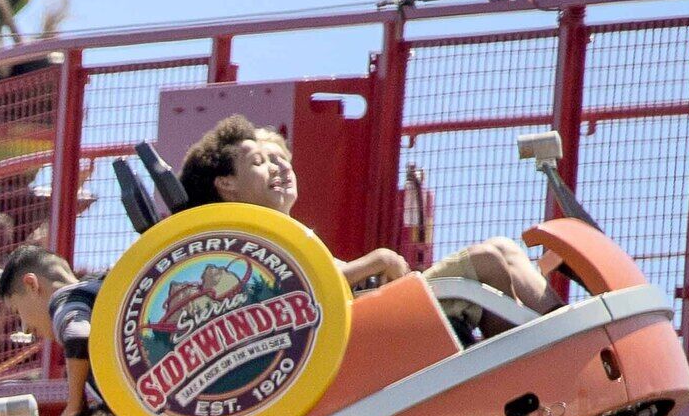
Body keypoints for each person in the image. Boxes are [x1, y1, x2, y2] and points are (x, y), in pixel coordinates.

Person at [175, 114, 556, 316]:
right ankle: (550, 360)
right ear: (227, 185)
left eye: (281, 160)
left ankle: (567, 330)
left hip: (368, 310)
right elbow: (307, 287)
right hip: (357, 330)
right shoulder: (250, 235)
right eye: (261, 162)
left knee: (503, 250)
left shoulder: (278, 228)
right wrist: (380, 259)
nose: (280, 169)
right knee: (487, 261)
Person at [0, 244, 112, 416]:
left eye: (17, 311)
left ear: (31, 284)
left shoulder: (64, 300)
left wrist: (74, 403)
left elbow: (77, 337)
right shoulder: (102, 287)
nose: (24, 328)